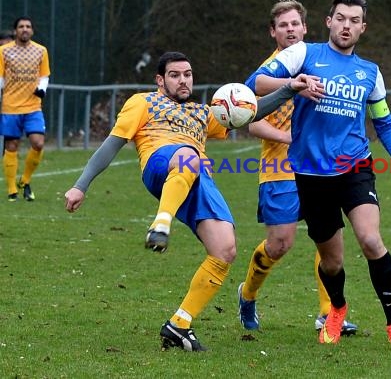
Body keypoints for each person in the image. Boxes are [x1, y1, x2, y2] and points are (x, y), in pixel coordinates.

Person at [64, 51, 320, 351]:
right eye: (175, 75)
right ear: (160, 80)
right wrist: (81, 185)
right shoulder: (142, 102)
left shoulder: (202, 112)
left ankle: (179, 325)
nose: (183, 80)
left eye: (187, 74)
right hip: (161, 164)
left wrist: (290, 88)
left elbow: (251, 111)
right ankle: (161, 224)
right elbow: (112, 145)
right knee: (188, 156)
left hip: (198, 177)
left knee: (225, 250)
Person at [245, 0, 391, 353]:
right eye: (341, 18)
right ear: (328, 22)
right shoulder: (304, 54)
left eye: (354, 21)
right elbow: (253, 84)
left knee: (371, 240)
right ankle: (337, 308)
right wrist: (293, 84)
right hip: (310, 174)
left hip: (355, 167)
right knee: (332, 260)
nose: (346, 26)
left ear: (362, 28)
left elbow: (383, 121)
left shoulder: (370, 72)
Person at [237, 0, 357, 336]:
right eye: (283, 25)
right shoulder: (269, 71)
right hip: (279, 168)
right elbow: (251, 121)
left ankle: (329, 312)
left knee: (327, 237)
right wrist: (292, 137)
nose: (290, 29)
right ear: (273, 32)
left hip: (320, 167)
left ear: (305, 27)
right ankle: (247, 294)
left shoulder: (322, 60)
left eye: (295, 24)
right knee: (280, 244)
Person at [0, 16, 50, 201]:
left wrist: (42, 89)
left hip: (33, 107)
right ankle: (12, 189)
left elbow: (44, 75)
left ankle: (25, 180)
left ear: (32, 31)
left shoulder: (40, 51)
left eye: (28, 26)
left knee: (38, 143)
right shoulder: (4, 51)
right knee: (11, 146)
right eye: (21, 26)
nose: (25, 29)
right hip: (11, 107)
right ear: (15, 31)